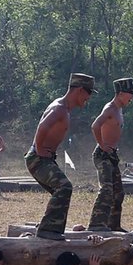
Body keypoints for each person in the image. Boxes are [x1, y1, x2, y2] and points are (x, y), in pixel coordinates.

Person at [25, 73, 96, 240]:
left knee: (60, 191)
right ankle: (48, 230)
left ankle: (49, 226)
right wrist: (40, 149)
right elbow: (43, 127)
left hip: (44, 158)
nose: (88, 98)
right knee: (64, 187)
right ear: (79, 90)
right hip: (39, 158)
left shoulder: (63, 107)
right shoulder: (60, 109)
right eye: (88, 93)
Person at [89, 78, 133, 231]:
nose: (131, 98)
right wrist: (102, 144)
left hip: (112, 155)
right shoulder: (110, 108)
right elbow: (95, 125)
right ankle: (96, 224)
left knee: (118, 193)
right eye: (130, 94)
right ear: (121, 94)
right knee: (107, 189)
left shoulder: (119, 109)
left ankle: (114, 225)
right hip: (102, 154)